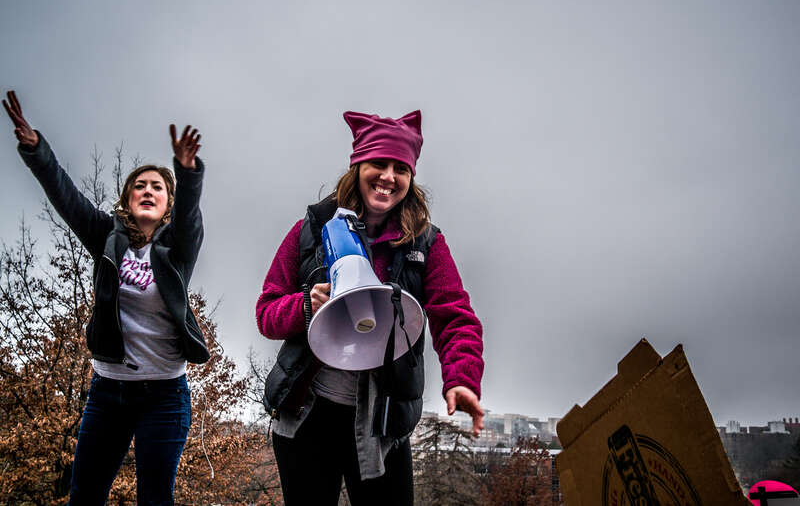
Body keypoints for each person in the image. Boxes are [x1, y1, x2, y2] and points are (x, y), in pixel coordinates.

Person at [255, 109, 485, 506]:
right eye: (379, 163)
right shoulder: (311, 229)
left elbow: (454, 318)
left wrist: (461, 378)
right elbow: (267, 312)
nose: (388, 177)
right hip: (308, 413)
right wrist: (306, 307)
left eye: (401, 168)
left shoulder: (426, 244)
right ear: (357, 166)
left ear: (411, 179)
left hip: (383, 421)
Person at [3, 90, 208, 505]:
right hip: (109, 391)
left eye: (157, 187)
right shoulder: (106, 238)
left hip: (164, 395)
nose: (147, 191)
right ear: (127, 201)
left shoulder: (178, 248)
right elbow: (67, 199)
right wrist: (37, 150)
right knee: (85, 495)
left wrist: (185, 173)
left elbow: (188, 218)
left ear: (168, 204)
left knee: (155, 497)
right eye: (139, 187)